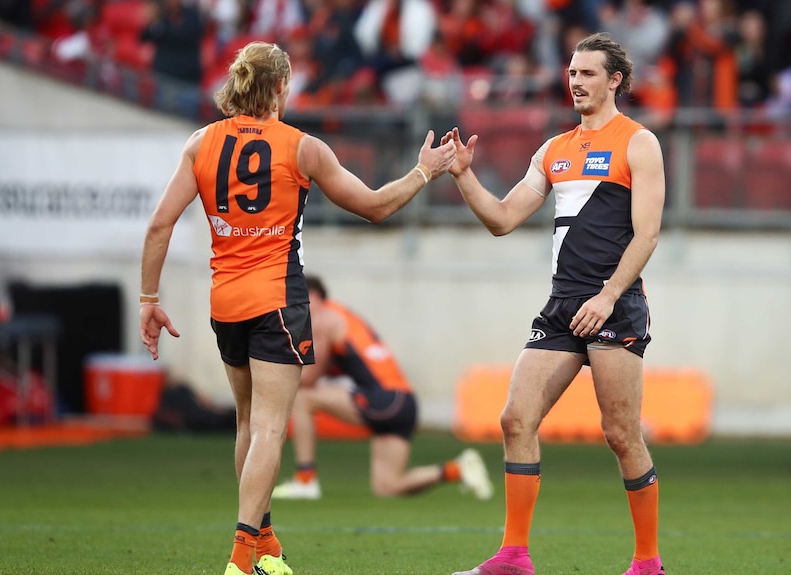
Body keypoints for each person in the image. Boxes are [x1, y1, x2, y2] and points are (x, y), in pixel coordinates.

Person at [138, 41, 456, 575]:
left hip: (226, 300)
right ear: (283, 87)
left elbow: (158, 225)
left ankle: (266, 547)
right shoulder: (302, 148)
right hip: (278, 299)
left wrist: (149, 299)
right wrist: (425, 171)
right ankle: (243, 555)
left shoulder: (200, 143)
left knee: (247, 424)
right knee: (269, 427)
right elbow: (375, 206)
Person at [442, 32, 666, 575]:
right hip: (562, 307)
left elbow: (648, 235)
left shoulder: (639, 142)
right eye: (571, 72)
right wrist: (464, 175)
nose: (576, 81)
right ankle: (514, 557)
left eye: (588, 73)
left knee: (620, 434)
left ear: (615, 80)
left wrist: (609, 296)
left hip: (615, 306)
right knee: (515, 418)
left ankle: (647, 564)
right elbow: (501, 220)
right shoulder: (554, 150)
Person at [272, 275, 493, 500]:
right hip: (403, 403)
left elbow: (309, 378)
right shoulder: (341, 315)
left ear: (314, 295)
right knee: (387, 486)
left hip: (385, 399)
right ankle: (457, 469)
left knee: (302, 397)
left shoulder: (324, 318)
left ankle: (305, 479)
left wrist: (269, 377)